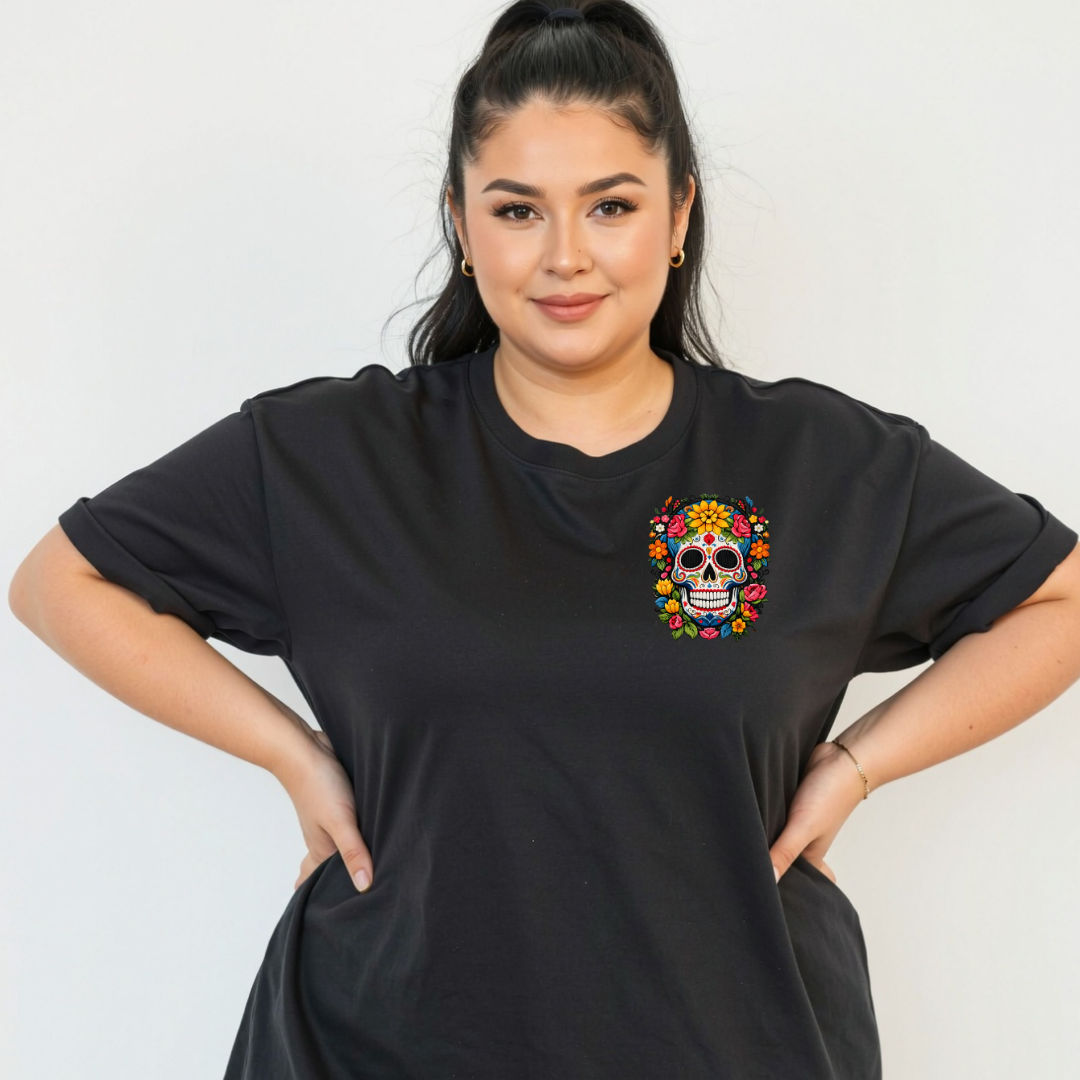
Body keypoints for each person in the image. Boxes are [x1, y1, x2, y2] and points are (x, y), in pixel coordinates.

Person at [9, 2, 1080, 1077]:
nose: (566, 256)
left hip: (737, 1040)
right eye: (517, 211)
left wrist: (855, 764)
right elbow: (63, 582)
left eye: (610, 205)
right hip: (379, 1042)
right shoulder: (327, 456)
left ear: (677, 215)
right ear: (462, 225)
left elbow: (1060, 598)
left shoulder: (822, 466)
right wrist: (294, 754)